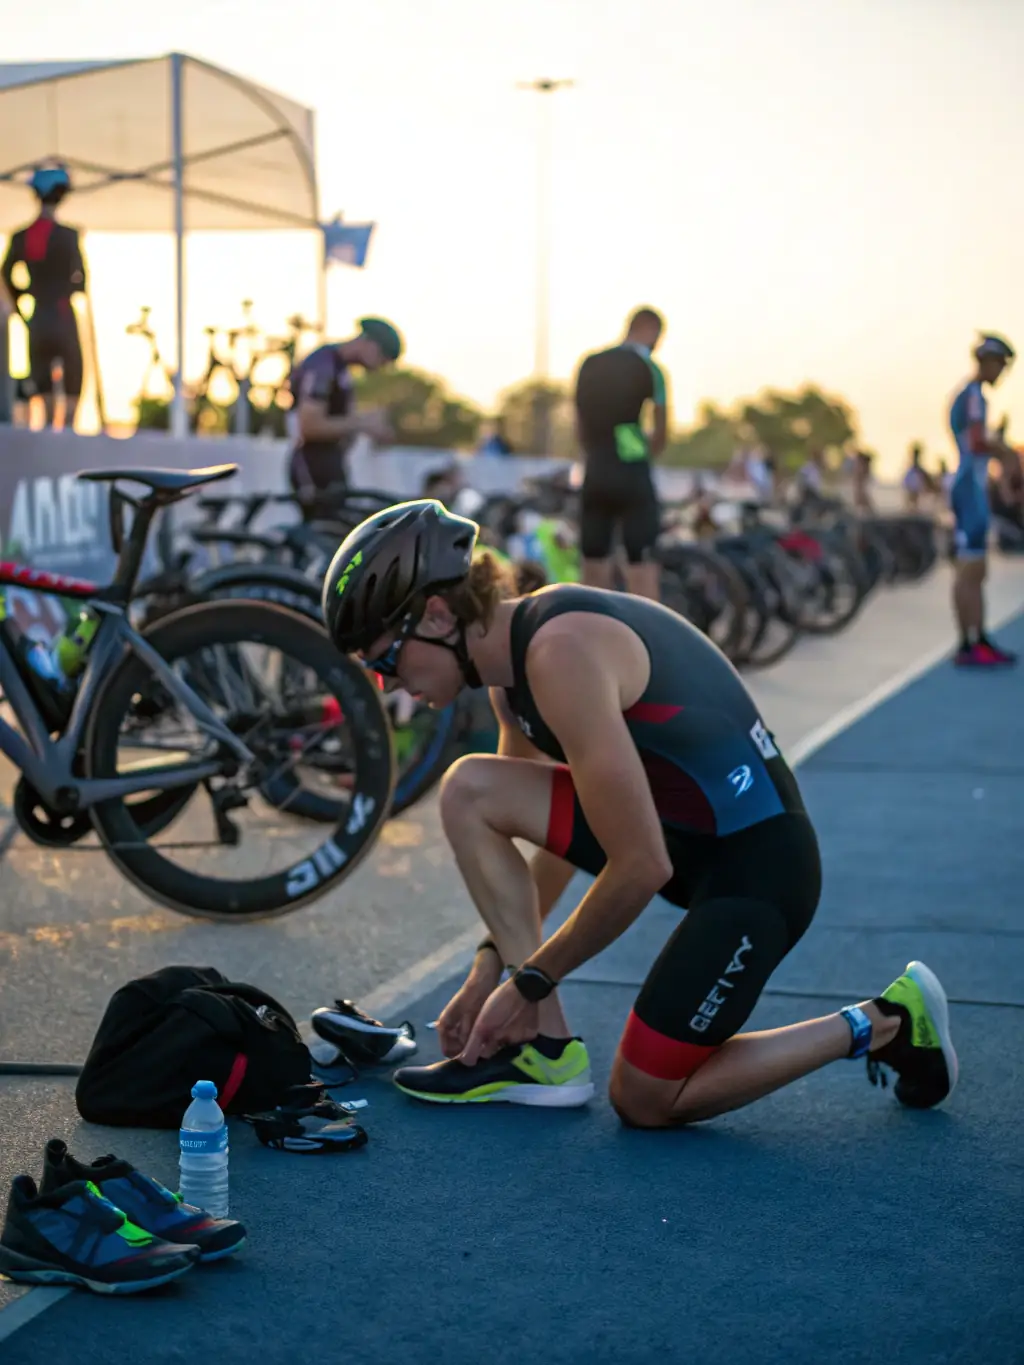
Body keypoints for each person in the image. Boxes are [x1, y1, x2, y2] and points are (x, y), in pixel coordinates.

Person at [321, 499, 957, 1126]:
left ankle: (885, 1023)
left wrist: (533, 982)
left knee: (646, 1098)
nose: (387, 684)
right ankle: (542, 1053)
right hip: (685, 839)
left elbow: (639, 865)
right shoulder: (507, 673)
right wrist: (492, 969)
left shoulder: (559, 653)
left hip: (757, 871)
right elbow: (545, 845)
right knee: (472, 789)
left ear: (436, 614)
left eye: (385, 661)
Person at [573, 307, 669, 601]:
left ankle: (592, 635)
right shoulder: (649, 367)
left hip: (596, 467)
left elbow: (578, 423)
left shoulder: (589, 363)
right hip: (631, 469)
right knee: (641, 561)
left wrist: (596, 453)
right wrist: (646, 452)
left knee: (593, 560)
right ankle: (649, 637)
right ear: (650, 330)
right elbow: (662, 425)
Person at [948, 334, 1018, 666]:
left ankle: (977, 639)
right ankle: (969, 644)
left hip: (970, 487)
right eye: (1002, 365)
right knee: (970, 570)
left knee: (975, 570)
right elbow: (976, 442)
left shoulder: (969, 395)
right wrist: (1005, 452)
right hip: (968, 488)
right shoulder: (974, 395)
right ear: (988, 361)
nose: (1003, 373)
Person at [287, 317, 402, 516]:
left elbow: (343, 422)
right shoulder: (323, 364)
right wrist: (362, 423)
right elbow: (309, 426)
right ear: (369, 343)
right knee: (326, 529)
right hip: (312, 464)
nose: (380, 367)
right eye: (381, 358)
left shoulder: (340, 369)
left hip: (330, 463)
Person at [1, 166, 86, 431]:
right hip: (61, 314)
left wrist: (19, 302)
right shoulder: (68, 235)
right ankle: (68, 428)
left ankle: (50, 426)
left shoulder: (21, 237)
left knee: (42, 374)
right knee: (72, 371)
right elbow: (81, 279)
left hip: (36, 317)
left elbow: (5, 273)